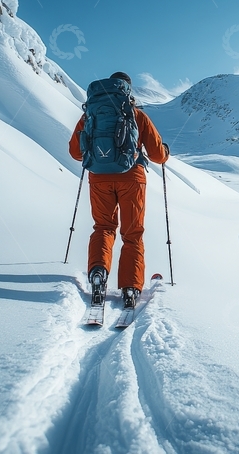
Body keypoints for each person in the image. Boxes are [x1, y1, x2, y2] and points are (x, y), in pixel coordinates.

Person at [68, 72, 169, 308]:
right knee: (132, 234)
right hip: (132, 178)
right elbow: (156, 155)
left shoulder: (90, 114)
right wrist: (165, 151)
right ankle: (131, 288)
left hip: (99, 179)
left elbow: (75, 152)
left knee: (103, 227)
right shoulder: (136, 115)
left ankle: (98, 273)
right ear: (127, 90)